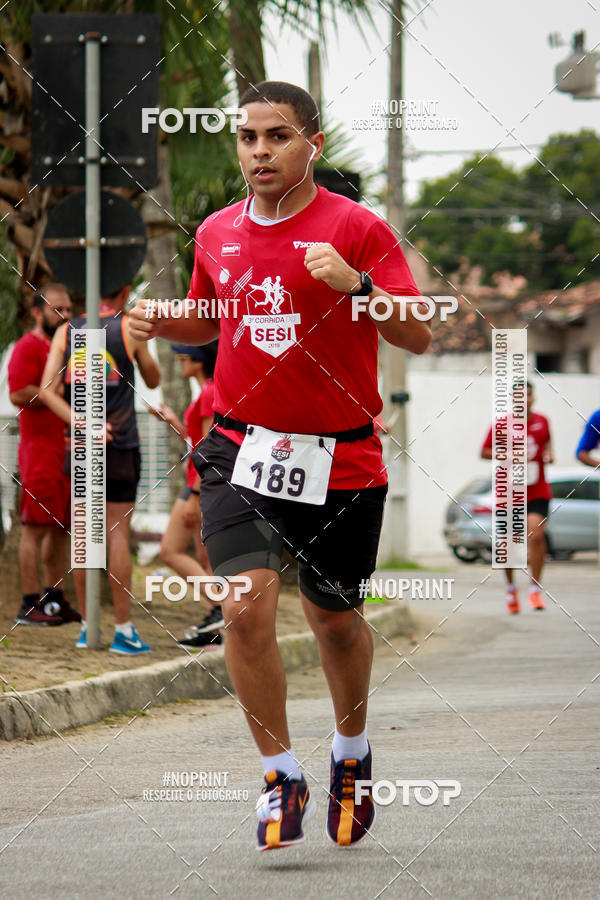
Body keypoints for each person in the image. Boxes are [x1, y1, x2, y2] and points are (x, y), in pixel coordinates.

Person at [129, 81, 430, 851]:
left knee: (333, 621)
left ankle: (352, 754)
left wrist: (359, 288)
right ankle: (279, 775)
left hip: (341, 457)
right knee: (243, 606)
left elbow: (419, 335)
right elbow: (210, 313)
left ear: (312, 146)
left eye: (278, 136)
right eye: (249, 137)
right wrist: (156, 315)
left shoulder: (357, 229)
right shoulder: (218, 230)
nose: (259, 151)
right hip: (240, 448)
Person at [39, 284, 160, 653]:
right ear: (124, 291)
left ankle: (89, 627)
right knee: (117, 532)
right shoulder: (128, 327)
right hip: (122, 443)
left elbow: (46, 389)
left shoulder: (66, 330)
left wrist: (79, 421)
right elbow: (154, 379)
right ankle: (123, 630)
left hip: (81, 444)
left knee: (83, 534)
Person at [8, 284, 81, 626]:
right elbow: (18, 393)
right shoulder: (28, 346)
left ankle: (55, 600)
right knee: (35, 527)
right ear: (38, 312)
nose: (65, 315)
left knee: (60, 527)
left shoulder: (67, 349)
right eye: (58, 309)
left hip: (65, 451)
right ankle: (28, 603)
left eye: (68, 309)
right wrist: (51, 394)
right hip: (39, 451)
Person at [149, 342, 223, 647]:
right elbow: (198, 439)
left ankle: (222, 607)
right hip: (200, 483)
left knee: (170, 551)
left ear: (200, 359)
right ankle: (214, 623)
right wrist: (174, 422)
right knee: (205, 557)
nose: (181, 358)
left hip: (199, 484)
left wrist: (194, 496)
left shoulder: (208, 392)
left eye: (186, 354)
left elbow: (208, 447)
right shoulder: (207, 390)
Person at [481, 381, 553, 614]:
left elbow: (547, 444)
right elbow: (484, 451)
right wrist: (509, 454)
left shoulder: (543, 421)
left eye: (528, 395)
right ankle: (511, 588)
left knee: (536, 537)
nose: (524, 399)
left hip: (537, 489)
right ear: (513, 399)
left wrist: (549, 454)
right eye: (520, 396)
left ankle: (535, 589)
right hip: (510, 492)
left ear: (534, 397)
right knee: (509, 546)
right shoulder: (502, 424)